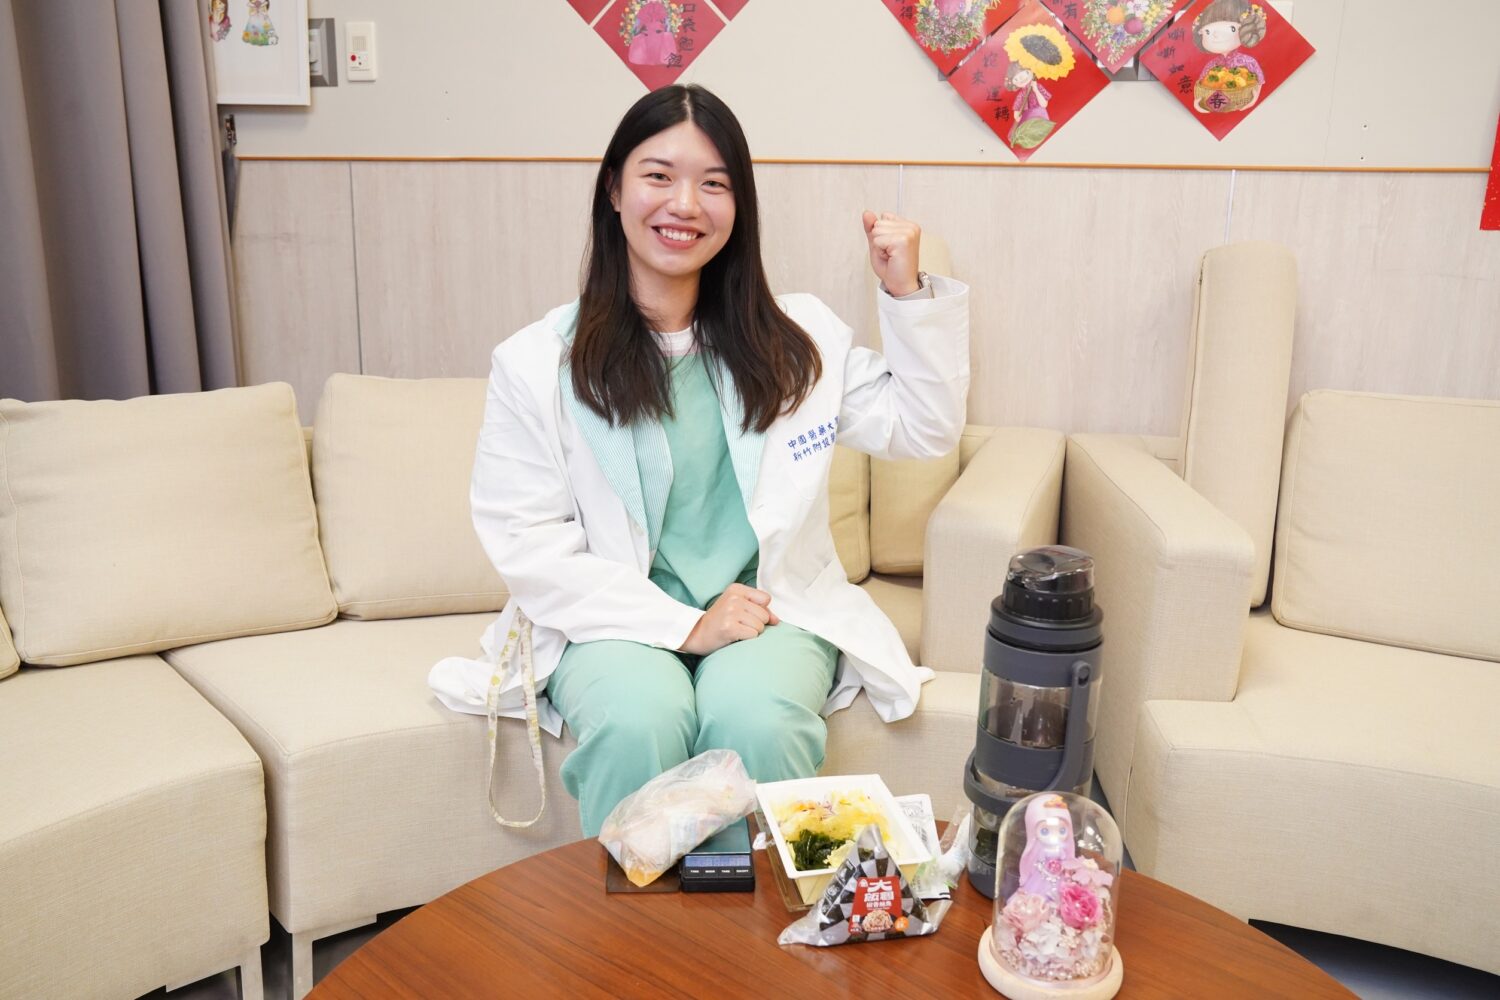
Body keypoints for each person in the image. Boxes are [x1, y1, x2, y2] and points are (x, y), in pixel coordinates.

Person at [430, 85, 969, 837]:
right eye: (658, 176)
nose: (684, 204)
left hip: (768, 612)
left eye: (714, 183)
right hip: (613, 619)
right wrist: (687, 627)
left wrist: (904, 292)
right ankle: (635, 916)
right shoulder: (535, 364)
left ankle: (765, 918)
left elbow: (924, 427)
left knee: (757, 717)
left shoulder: (797, 341)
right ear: (613, 189)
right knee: (636, 720)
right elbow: (529, 545)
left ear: (739, 207)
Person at [1191, 0, 1267, 113]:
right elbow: (1201, 87)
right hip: (1217, 106)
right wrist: (1198, 105)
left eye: (1232, 28)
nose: (1215, 35)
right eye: (1207, 31)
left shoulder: (1248, 61)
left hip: (1242, 100)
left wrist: (1253, 100)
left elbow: (1259, 82)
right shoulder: (1211, 66)